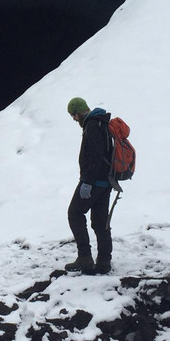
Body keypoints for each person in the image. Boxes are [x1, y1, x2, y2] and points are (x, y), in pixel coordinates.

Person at [64, 97, 114, 274]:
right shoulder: (102, 122)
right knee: (100, 221)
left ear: (78, 112)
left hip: (94, 181)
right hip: (106, 181)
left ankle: (84, 258)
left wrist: (87, 182)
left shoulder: (92, 125)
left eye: (73, 115)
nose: (73, 119)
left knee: (75, 213)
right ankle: (104, 261)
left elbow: (95, 156)